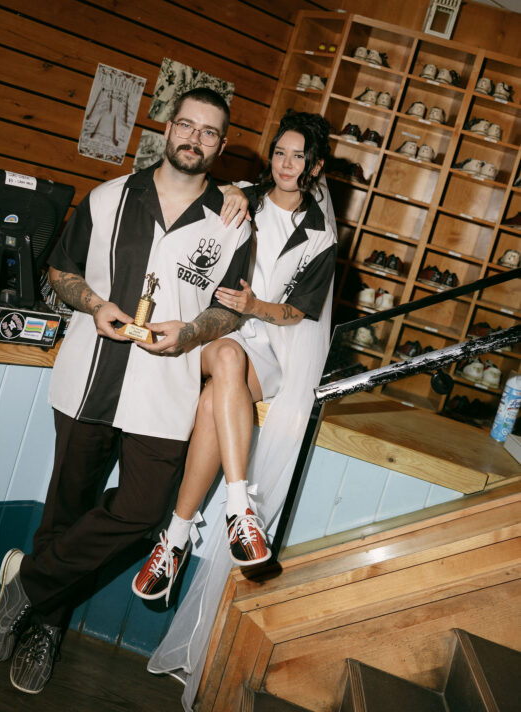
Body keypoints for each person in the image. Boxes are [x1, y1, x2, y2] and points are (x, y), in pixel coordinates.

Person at [0, 87, 252, 695]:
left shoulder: (233, 221)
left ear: (221, 144)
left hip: (167, 387)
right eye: (186, 125)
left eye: (209, 132)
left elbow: (230, 312)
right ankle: (44, 629)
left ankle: (27, 584)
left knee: (141, 511)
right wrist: (97, 304)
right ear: (167, 128)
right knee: (66, 508)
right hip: (89, 378)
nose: (195, 138)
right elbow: (60, 270)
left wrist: (190, 333)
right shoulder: (108, 196)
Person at [141, 111, 338, 712]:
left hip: (267, 349)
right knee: (223, 351)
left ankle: (174, 538)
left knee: (221, 381)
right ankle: (237, 508)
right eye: (279, 152)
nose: (285, 163)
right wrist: (227, 192)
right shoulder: (240, 199)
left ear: (315, 167)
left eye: (297, 156)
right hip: (216, 332)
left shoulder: (322, 237)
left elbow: (298, 314)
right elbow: (197, 208)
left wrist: (256, 302)